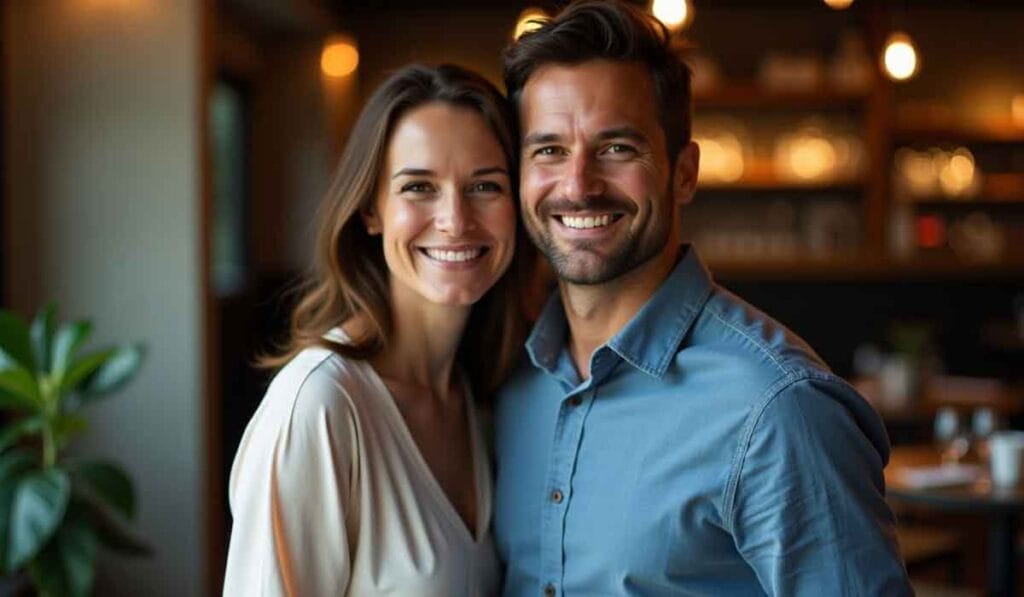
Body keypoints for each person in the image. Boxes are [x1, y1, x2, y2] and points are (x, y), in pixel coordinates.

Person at [492, 2, 913, 595]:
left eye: (617, 148)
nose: (578, 184)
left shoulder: (777, 410)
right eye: (549, 150)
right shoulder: (511, 382)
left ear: (684, 172)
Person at [223, 64, 531, 596]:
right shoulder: (318, 404)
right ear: (370, 209)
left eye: (485, 185)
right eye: (419, 187)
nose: (455, 220)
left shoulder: (483, 397)